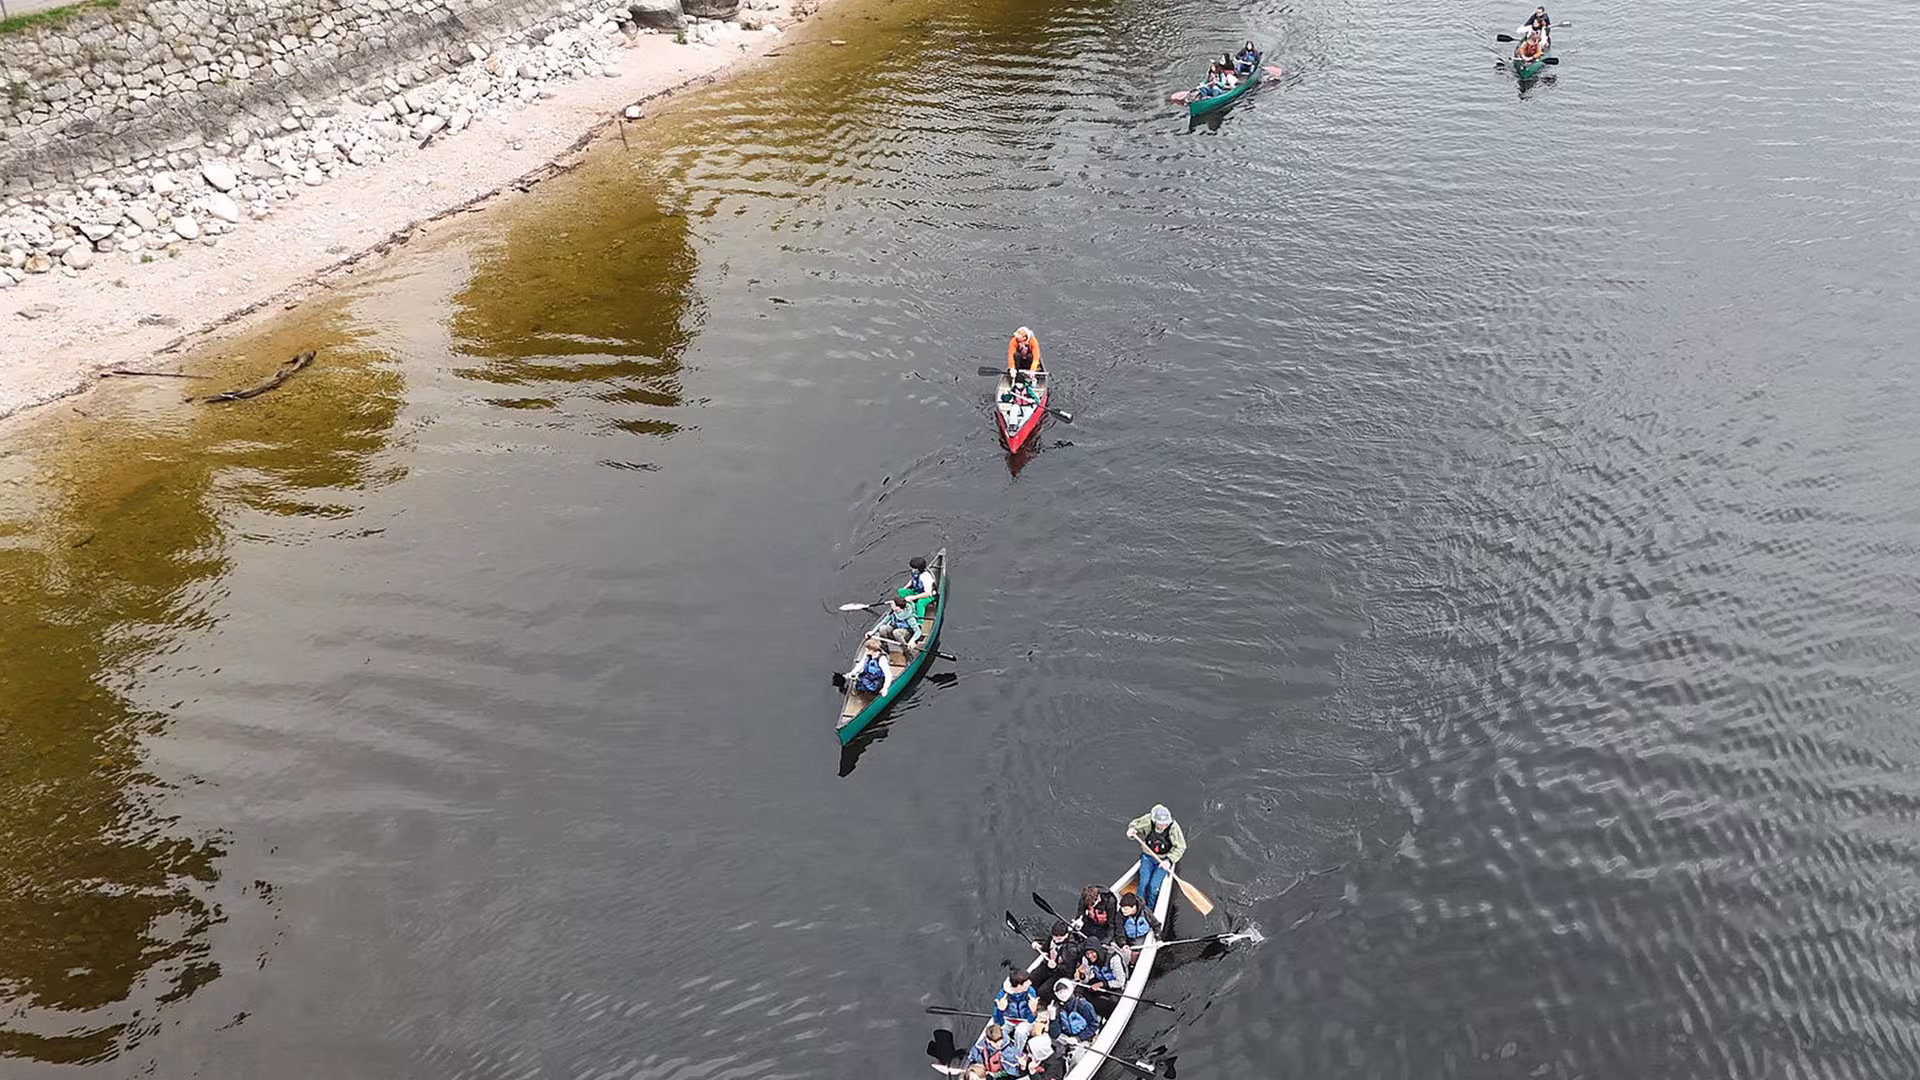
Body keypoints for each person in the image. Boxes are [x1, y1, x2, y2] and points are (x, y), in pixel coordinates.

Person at [1125, 803, 1187, 911]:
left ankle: (1149, 910)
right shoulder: (1148, 820)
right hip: (1148, 857)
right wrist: (1132, 830)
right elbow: (1133, 825)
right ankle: (1139, 907)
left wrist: (1169, 860)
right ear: (1155, 821)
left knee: (1153, 888)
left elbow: (1181, 847)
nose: (1163, 826)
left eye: (1165, 824)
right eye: (1161, 824)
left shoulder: (1173, 828)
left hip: (1163, 860)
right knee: (1143, 883)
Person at [1114, 890, 1161, 968]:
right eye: (1122, 908)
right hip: (1128, 938)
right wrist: (1123, 943)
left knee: (1136, 953)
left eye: (1126, 909)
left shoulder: (1145, 912)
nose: (1123, 911)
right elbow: (1119, 932)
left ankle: (1133, 963)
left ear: (1134, 907)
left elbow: (1156, 924)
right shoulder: (1120, 916)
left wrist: (1158, 938)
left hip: (1141, 938)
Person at [1032, 919, 1086, 986]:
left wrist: (1056, 967)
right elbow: (1047, 946)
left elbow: (1068, 972)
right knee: (1033, 977)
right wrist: (1040, 946)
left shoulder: (1071, 950)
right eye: (1055, 938)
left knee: (1043, 991)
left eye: (1059, 939)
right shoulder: (1053, 938)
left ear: (1066, 935)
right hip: (1049, 964)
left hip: (1059, 972)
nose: (1056, 941)